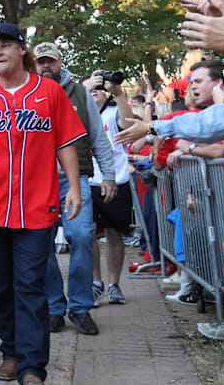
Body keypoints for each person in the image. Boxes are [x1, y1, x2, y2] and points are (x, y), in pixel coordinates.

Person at [0, 23, 86, 385]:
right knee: (1, 287)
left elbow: (65, 144)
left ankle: (31, 366)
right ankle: (10, 350)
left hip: (38, 207)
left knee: (30, 284)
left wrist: (73, 187)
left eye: (6, 44)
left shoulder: (50, 93)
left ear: (21, 50)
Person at [33, 42, 116, 335]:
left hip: (75, 177)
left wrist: (109, 176)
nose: (46, 67)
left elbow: (97, 137)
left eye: (50, 62)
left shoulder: (80, 94)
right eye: (40, 62)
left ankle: (80, 306)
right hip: (36, 180)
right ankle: (55, 306)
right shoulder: (27, 91)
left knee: (81, 236)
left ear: (60, 62)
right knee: (40, 244)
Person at [81, 69, 137, 307]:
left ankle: (114, 284)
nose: (95, 93)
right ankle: (96, 283)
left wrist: (118, 93)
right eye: (90, 90)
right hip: (87, 181)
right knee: (88, 234)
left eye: (98, 90)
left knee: (114, 233)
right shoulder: (79, 113)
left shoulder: (113, 112)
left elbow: (128, 123)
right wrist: (84, 89)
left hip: (117, 181)